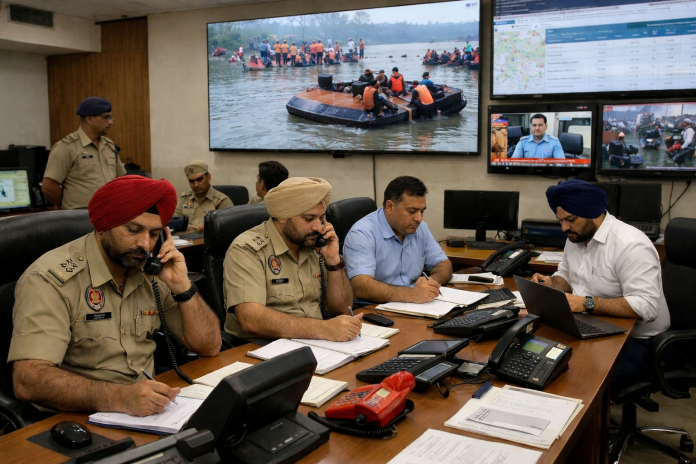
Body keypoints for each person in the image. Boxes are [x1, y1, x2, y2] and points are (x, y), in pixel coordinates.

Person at [9, 176, 222, 416]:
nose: (144, 244)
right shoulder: (51, 279)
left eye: (154, 234)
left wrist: (182, 286)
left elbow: (209, 346)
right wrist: (121, 397)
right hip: (77, 416)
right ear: (104, 225)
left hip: (150, 409)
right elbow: (28, 379)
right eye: (133, 229)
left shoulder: (150, 272)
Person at [531, 179, 669, 394]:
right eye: (561, 221)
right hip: (595, 327)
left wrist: (585, 303)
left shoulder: (630, 245)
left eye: (571, 219)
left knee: (574, 379)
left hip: (641, 341)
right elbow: (566, 276)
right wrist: (551, 284)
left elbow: (647, 307)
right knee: (538, 360)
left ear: (593, 213)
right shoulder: (576, 236)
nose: (564, 228)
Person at [223, 177, 358, 341]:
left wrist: (333, 260)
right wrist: (323, 328)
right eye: (309, 219)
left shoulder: (315, 245)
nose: (318, 227)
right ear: (282, 216)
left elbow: (342, 308)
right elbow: (251, 319)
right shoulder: (247, 249)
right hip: (262, 346)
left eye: (321, 218)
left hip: (317, 341)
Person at [344, 176, 452, 304]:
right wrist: (411, 294)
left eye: (422, 211)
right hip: (374, 308)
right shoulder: (362, 233)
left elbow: (443, 264)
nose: (419, 218)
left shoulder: (420, 228)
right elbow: (361, 286)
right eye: (412, 211)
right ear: (390, 207)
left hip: (414, 305)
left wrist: (430, 284)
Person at [42, 97, 127, 210]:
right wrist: (67, 204)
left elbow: (121, 179)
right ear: (90, 119)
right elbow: (49, 187)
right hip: (81, 215)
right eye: (106, 117)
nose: (111, 122)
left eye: (111, 117)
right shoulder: (67, 147)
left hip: (109, 213)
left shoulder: (109, 145)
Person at [173, 161, 233, 233]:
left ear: (208, 177)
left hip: (206, 238)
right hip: (182, 238)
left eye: (199, 179)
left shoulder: (222, 201)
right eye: (191, 181)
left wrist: (211, 227)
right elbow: (175, 223)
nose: (196, 185)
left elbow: (228, 230)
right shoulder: (185, 198)